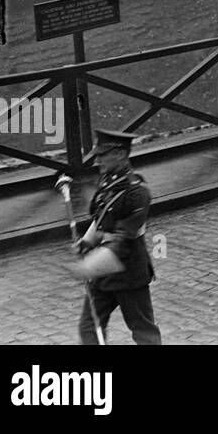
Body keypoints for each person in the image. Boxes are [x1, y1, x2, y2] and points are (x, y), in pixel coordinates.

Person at [72, 129, 161, 345]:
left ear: (121, 154)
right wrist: (87, 241)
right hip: (103, 275)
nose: (97, 159)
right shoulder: (107, 183)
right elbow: (101, 218)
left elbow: (123, 237)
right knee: (89, 328)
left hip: (128, 271)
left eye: (103, 154)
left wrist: (90, 265)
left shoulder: (137, 192)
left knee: (143, 331)